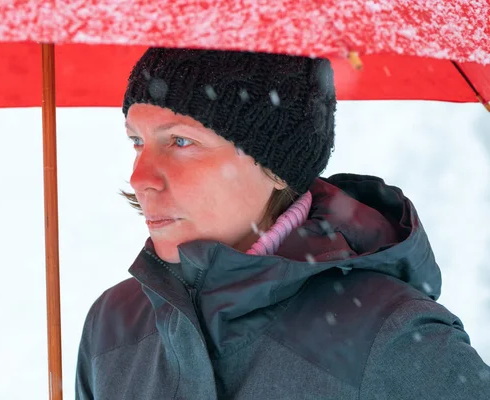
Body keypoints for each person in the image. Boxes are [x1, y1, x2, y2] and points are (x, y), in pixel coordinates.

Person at [75, 47, 490, 399]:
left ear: (276, 167)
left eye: (181, 141)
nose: (139, 177)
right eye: (137, 141)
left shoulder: (396, 343)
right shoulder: (112, 325)